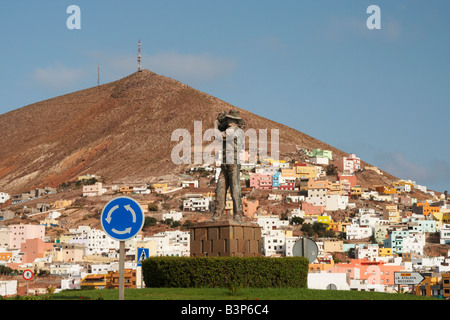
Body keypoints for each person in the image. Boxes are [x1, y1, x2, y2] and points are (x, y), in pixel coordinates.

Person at [212, 110, 245, 222]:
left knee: (235, 189)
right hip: (225, 164)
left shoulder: (236, 131)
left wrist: (215, 125)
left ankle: (238, 214)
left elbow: (219, 137)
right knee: (220, 190)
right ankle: (217, 215)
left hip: (233, 163)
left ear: (234, 121)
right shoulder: (231, 130)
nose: (228, 121)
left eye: (230, 119)